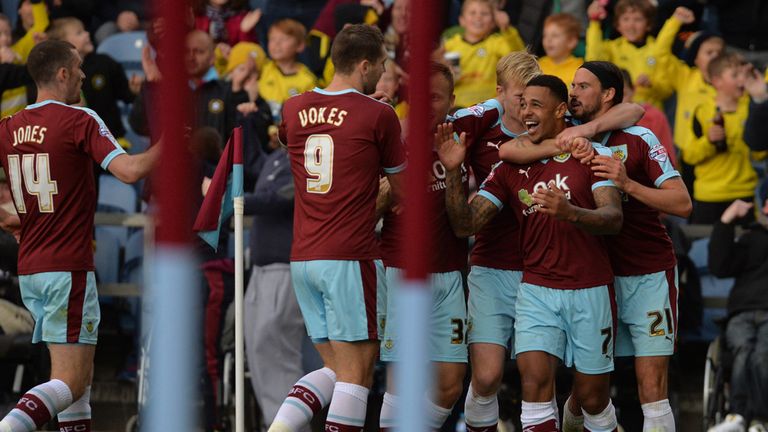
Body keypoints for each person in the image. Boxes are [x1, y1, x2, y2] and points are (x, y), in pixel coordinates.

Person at [502, 61, 692, 431]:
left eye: (583, 86)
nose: (573, 92)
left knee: (651, 386)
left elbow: (682, 204)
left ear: (607, 94)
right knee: (588, 391)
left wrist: (628, 184)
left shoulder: (638, 138)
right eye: (572, 85)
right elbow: (510, 150)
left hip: (646, 272)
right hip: (593, 280)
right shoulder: (564, 131)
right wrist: (577, 136)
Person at [438, 74, 624, 432]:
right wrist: (452, 172)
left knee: (592, 398)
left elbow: (613, 218)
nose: (526, 112)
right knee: (535, 387)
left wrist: (571, 213)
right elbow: (465, 225)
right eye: (522, 104)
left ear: (561, 110)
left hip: (590, 289)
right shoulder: (508, 167)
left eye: (535, 105)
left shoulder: (592, 154)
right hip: (537, 291)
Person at [0, 39, 158, 432]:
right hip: (67, 266)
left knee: (77, 386)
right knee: (70, 382)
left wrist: (9, 218)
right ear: (63, 73)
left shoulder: (8, 127)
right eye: (79, 68)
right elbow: (129, 171)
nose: (84, 75)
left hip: (32, 267)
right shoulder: (79, 119)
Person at [269, 24, 405, 432]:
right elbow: (403, 191)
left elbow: (294, 138)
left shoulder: (293, 108)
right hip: (350, 256)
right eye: (381, 64)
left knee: (335, 369)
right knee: (356, 376)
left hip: (303, 258)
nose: (383, 72)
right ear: (364, 65)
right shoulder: (379, 115)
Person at [377, 62, 470, 431]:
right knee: (402, 381)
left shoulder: (462, 140)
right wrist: (393, 190)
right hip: (403, 270)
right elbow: (368, 209)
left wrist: (452, 171)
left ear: (451, 101)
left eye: (436, 97)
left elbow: (462, 220)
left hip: (450, 272)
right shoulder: (394, 142)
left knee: (450, 384)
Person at [241, 128, 302, 432]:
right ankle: (273, 424)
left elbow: (280, 198)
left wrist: (237, 201)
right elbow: (250, 159)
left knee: (277, 352)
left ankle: (289, 427)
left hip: (283, 269)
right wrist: (246, 119)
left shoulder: (305, 159)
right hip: (260, 270)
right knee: (258, 353)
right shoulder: (276, 157)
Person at [707, 195, 768, 432]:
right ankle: (738, 416)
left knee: (762, 355)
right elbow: (719, 266)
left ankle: (759, 418)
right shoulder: (750, 238)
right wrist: (726, 220)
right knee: (742, 350)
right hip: (742, 312)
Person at [682, 52, 761, 224]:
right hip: (709, 196)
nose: (741, 80)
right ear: (717, 81)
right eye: (735, 75)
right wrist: (708, 141)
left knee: (743, 241)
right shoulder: (702, 111)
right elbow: (689, 155)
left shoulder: (752, 108)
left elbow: (760, 153)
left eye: (743, 74)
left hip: (744, 192)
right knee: (706, 240)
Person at [47, 17, 141, 150]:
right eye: (79, 33)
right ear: (63, 44)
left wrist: (133, 90)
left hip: (113, 141)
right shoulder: (59, 74)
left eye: (85, 30)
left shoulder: (104, 63)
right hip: (79, 145)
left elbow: (125, 93)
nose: (87, 34)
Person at [585, 0, 680, 109]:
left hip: (649, 114)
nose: (631, 25)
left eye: (637, 19)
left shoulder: (659, 50)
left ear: (648, 24)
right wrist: (595, 22)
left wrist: (651, 85)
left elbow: (667, 91)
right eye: (626, 19)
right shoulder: (612, 48)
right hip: (617, 112)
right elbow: (593, 61)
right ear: (618, 25)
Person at [443, 0, 524, 108]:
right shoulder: (450, 45)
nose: (478, 17)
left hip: (488, 107)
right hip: (456, 107)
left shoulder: (496, 43)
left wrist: (507, 29)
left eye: (484, 13)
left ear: (493, 22)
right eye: (473, 13)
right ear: (462, 20)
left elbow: (519, 57)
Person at [258, 18, 317, 122]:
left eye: (284, 39)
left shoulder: (307, 80)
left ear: (300, 45)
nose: (277, 43)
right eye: (272, 39)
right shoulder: (263, 67)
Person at [619, 68, 675, 160]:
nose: (618, 101)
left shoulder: (654, 117)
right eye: (614, 96)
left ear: (633, 90)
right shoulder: (599, 122)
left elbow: (667, 157)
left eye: (623, 95)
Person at [539, 13, 584, 87]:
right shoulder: (538, 65)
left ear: (571, 41)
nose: (548, 40)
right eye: (545, 35)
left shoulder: (579, 70)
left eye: (555, 35)